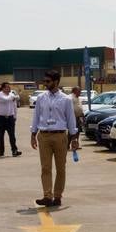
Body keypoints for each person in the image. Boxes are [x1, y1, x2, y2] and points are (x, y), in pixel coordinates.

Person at [30, 70, 79, 207]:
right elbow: (36, 116)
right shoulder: (41, 98)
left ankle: (57, 196)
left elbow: (71, 120)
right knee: (45, 168)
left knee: (61, 168)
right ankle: (47, 196)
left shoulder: (66, 99)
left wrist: (74, 138)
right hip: (44, 136)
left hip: (60, 136)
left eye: (48, 81)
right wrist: (33, 134)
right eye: (44, 81)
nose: (45, 84)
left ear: (56, 82)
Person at [0, 81, 22, 157]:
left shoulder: (12, 95)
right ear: (2, 88)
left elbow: (14, 106)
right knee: (1, 135)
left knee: (12, 135)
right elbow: (5, 99)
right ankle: (1, 151)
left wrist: (15, 116)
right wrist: (14, 96)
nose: (8, 88)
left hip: (10, 117)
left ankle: (14, 150)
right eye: (6, 87)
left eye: (9, 87)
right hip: (1, 118)